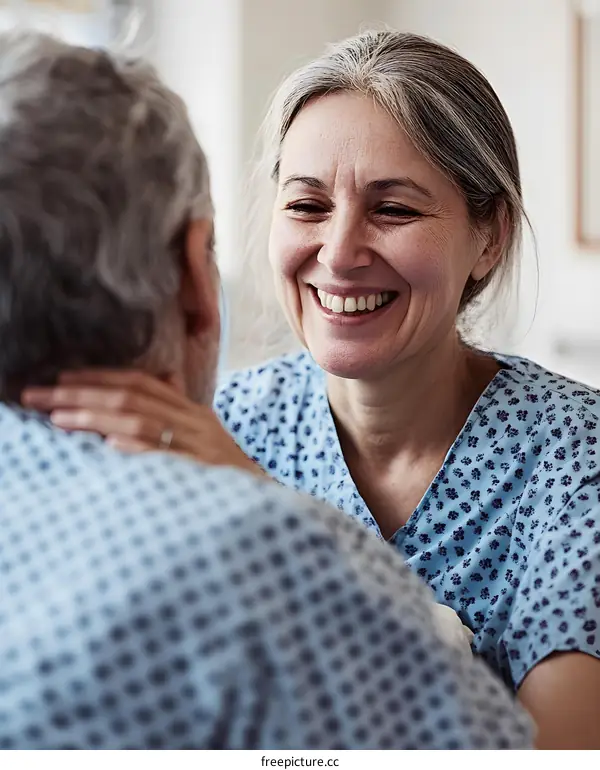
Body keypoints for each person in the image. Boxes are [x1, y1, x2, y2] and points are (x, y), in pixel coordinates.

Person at [23, 28, 600, 750]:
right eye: (306, 206)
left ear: (490, 236)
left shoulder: (575, 456)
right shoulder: (216, 421)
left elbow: (560, 755)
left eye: (394, 210)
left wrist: (276, 525)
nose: (339, 252)